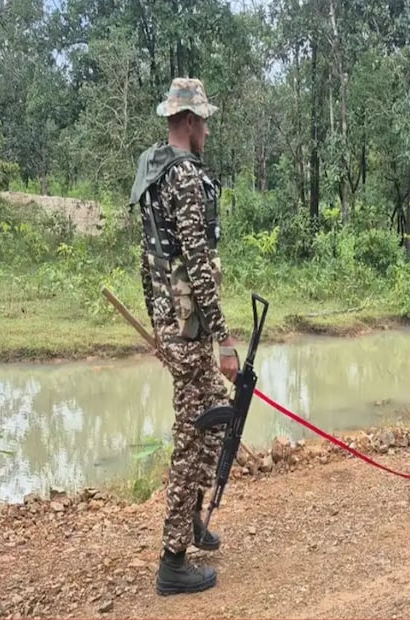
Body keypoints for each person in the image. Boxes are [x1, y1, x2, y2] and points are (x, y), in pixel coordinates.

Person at [129, 77, 239, 595]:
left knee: (215, 414)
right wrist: (223, 338)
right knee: (194, 431)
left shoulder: (152, 170)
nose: (208, 130)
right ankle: (173, 561)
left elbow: (150, 260)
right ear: (190, 122)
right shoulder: (186, 178)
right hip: (190, 329)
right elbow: (196, 262)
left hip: (169, 324)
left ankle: (191, 517)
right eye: (206, 121)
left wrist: (158, 327)